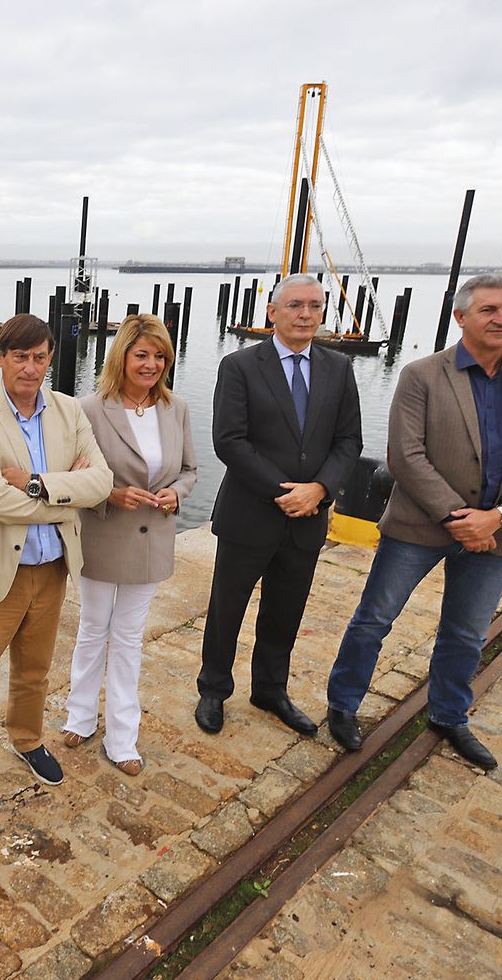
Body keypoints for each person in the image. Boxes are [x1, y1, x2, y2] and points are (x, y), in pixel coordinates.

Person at [325, 273, 502, 769]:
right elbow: (405, 456)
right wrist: (461, 517)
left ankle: (449, 715)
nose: (501, 319)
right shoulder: (422, 375)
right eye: (489, 310)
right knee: (374, 619)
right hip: (418, 527)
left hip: (496, 532)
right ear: (461, 317)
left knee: (466, 633)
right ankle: (343, 705)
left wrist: (498, 518)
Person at [0, 314, 113, 805]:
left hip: (53, 565)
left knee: (34, 669)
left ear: (50, 358)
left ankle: (27, 739)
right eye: (20, 356)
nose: (31, 367)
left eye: (40, 357)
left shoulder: (69, 411)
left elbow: (101, 482)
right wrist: (67, 491)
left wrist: (37, 483)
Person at [196, 273, 362, 737]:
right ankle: (213, 689)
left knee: (285, 611)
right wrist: (284, 491)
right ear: (272, 312)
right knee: (227, 607)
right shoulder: (241, 366)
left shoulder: (338, 368)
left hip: (308, 518)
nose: (305, 314)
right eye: (294, 305)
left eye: (314, 305)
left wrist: (320, 490)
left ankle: (270, 690)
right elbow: (229, 440)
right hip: (249, 512)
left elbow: (348, 441)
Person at [64, 315, 198, 775]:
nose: (152, 364)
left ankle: (123, 738)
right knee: (92, 629)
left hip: (152, 543)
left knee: (128, 639)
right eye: (142, 354)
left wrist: (175, 494)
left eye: (160, 356)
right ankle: (79, 717)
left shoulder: (176, 408)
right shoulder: (89, 409)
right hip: (104, 537)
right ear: (122, 356)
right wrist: (111, 494)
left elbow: (190, 470)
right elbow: (76, 475)